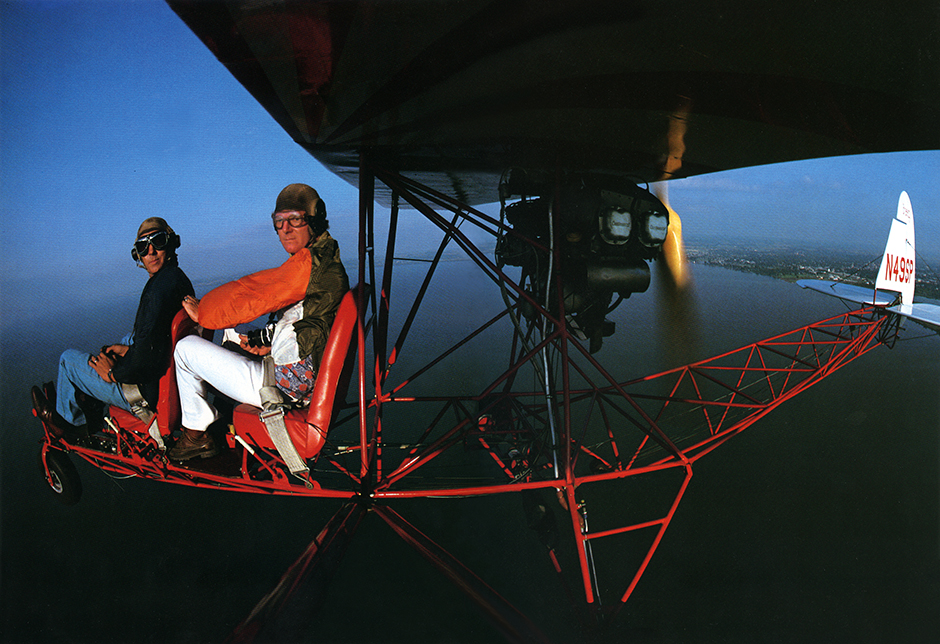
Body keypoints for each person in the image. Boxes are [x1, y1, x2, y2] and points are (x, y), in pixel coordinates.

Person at [169, 183, 349, 461]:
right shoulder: (323, 259)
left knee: (185, 349)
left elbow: (250, 295)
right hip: (302, 371)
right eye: (279, 221)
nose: (286, 229)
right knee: (232, 335)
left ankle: (196, 435)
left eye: (295, 219)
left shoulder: (309, 265)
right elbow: (306, 320)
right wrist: (268, 344)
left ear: (314, 220)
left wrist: (204, 312)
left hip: (289, 384)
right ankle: (220, 417)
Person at [31, 218, 195, 437]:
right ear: (138, 255)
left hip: (145, 391)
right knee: (127, 340)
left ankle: (70, 427)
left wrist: (112, 373)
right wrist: (128, 351)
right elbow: (159, 342)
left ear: (171, 243)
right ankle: (90, 397)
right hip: (167, 379)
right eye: (143, 247)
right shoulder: (178, 279)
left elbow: (145, 359)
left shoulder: (157, 292)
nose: (151, 251)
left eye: (158, 241)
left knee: (68, 360)